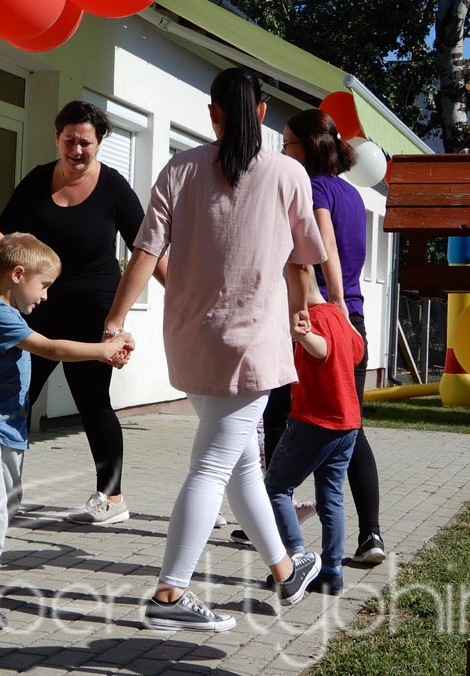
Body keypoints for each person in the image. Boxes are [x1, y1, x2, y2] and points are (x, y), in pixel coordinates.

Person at [103, 66, 328, 632]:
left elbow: (145, 254)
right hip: (250, 346)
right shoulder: (287, 173)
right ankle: (169, 596)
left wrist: (115, 319)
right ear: (262, 113)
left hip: (191, 340)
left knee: (241, 461)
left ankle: (284, 568)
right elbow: (305, 260)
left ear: (213, 114)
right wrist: (320, 316)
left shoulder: (180, 168)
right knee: (212, 465)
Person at [0, 100, 166, 526]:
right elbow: (2, 224)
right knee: (17, 397)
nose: (77, 150)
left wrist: (183, 296)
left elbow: (147, 247)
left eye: (86, 143)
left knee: (93, 401)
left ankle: (112, 498)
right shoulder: (40, 179)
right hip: (37, 306)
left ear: (99, 144)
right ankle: (6, 494)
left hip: (94, 310)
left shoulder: (113, 186)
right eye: (70, 141)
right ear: (57, 137)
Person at [0, 232, 129, 630]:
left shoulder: (9, 314)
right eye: (44, 285)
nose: (46, 296)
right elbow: (51, 349)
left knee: (7, 506)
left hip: (8, 427)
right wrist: (101, 350)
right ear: (17, 274)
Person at [282, 109, 386, 565]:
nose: (283, 152)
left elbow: (322, 246)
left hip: (322, 319)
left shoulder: (316, 188)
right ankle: (371, 536)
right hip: (352, 322)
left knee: (283, 415)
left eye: (287, 144)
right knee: (351, 426)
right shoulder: (352, 194)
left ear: (308, 147)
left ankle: (272, 515)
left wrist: (335, 303)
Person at [264, 269, 365, 596]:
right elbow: (358, 351)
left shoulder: (312, 319)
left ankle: (294, 562)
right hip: (348, 425)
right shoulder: (337, 314)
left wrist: (304, 336)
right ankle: (332, 571)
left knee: (277, 486)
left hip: (314, 423)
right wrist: (344, 320)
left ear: (300, 282)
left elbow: (322, 351)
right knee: (331, 496)